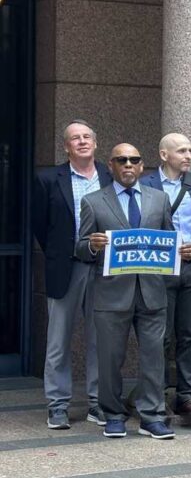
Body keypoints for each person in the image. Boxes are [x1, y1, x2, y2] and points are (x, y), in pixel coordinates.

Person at [76, 143, 189, 440]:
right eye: (121, 160)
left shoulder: (159, 199)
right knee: (110, 359)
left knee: (154, 357)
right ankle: (113, 414)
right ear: (111, 166)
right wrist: (92, 245)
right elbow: (80, 247)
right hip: (111, 295)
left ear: (142, 167)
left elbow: (167, 239)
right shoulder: (93, 201)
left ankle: (151, 417)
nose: (128, 164)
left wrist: (182, 251)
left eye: (134, 160)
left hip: (152, 292)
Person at [138, 133, 191, 423]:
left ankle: (185, 395)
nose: (188, 155)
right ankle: (157, 394)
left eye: (190, 150)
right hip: (160, 266)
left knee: (188, 334)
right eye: (181, 151)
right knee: (160, 334)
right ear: (164, 155)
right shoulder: (146, 184)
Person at [31, 121, 111, 430]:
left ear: (95, 142)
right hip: (66, 268)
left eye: (86, 137)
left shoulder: (110, 176)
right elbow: (41, 225)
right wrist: (62, 253)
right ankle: (58, 405)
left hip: (104, 269)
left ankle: (97, 402)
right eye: (75, 138)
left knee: (101, 339)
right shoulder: (48, 179)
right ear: (66, 146)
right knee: (58, 341)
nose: (81, 142)